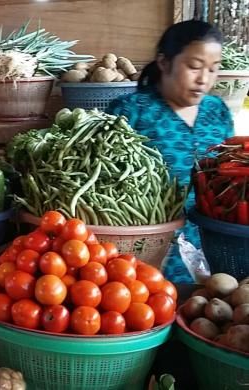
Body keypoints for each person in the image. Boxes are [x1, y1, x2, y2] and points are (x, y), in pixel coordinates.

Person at [106, 20, 235, 284]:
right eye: (194, 67)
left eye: (213, 69)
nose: (204, 79)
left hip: (211, 252)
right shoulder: (130, 112)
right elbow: (107, 188)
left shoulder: (217, 112)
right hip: (143, 256)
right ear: (164, 62)